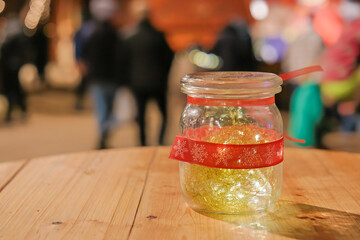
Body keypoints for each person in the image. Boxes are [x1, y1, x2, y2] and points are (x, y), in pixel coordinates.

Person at [125, 16, 174, 146]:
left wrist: (127, 81)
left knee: (141, 116)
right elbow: (169, 57)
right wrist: (165, 74)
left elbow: (124, 62)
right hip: (158, 83)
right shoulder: (159, 38)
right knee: (164, 114)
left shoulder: (131, 39)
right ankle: (160, 139)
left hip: (138, 83)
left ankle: (142, 142)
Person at [81, 0, 121, 149]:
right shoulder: (115, 34)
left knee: (102, 109)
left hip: (97, 78)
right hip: (112, 78)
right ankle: (104, 135)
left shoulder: (92, 34)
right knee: (109, 109)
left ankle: (103, 135)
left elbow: (85, 55)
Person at [0, 15, 34, 122]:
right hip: (15, 69)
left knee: (12, 91)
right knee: (18, 91)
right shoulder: (21, 38)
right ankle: (20, 110)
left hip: (10, 69)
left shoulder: (8, 40)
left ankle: (13, 111)